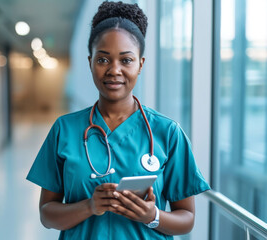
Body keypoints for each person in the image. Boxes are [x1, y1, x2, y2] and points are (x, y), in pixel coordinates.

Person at [26, 1, 210, 239]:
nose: (114, 70)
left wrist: (152, 216)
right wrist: (89, 206)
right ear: (90, 62)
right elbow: (47, 214)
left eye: (126, 60)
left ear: (140, 64)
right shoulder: (65, 129)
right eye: (103, 60)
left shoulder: (168, 132)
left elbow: (186, 219)